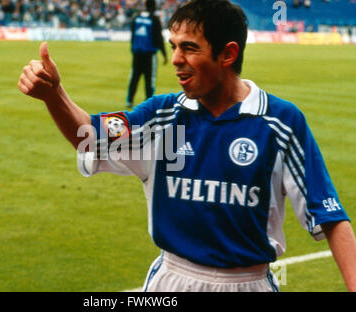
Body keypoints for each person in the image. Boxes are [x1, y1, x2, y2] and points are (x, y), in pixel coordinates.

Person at [18, 0, 356, 292]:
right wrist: (54, 96)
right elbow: (91, 136)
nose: (175, 58)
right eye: (173, 45)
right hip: (172, 281)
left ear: (228, 53)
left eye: (189, 48)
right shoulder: (163, 117)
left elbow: (330, 217)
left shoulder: (279, 123)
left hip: (248, 283)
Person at [126, 0, 167, 108]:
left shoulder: (137, 17)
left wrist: (133, 49)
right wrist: (164, 54)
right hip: (149, 54)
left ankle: (129, 100)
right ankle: (148, 102)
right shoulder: (154, 19)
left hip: (137, 53)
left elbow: (133, 35)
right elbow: (159, 38)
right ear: (154, 6)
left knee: (134, 77)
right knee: (150, 79)